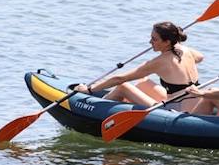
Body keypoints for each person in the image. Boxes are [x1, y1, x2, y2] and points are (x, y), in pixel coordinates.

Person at [74, 22, 202, 107]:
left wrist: (89, 89)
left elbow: (120, 79)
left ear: (167, 42)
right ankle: (122, 104)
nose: (150, 42)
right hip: (191, 99)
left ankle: (93, 107)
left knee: (123, 86)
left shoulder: (159, 62)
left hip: (177, 108)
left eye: (154, 39)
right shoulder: (185, 50)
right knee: (143, 82)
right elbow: (200, 57)